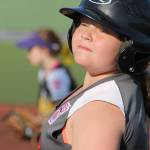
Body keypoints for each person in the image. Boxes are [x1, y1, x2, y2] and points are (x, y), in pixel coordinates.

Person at [39, 0, 150, 150]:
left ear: (130, 47)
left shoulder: (99, 112)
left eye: (104, 30)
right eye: (84, 24)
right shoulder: (113, 87)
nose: (86, 35)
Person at [2, 28, 76, 140]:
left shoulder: (56, 76)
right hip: (52, 127)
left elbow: (64, 112)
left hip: (64, 134)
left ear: (44, 50)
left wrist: (40, 124)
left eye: (31, 49)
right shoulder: (43, 72)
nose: (28, 55)